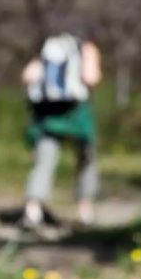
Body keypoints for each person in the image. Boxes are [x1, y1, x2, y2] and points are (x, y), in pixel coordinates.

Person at [21, 27, 102, 230]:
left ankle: (33, 210)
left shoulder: (48, 47)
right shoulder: (85, 47)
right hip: (76, 112)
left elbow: (28, 76)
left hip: (48, 114)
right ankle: (85, 210)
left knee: (44, 161)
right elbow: (91, 77)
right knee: (86, 159)